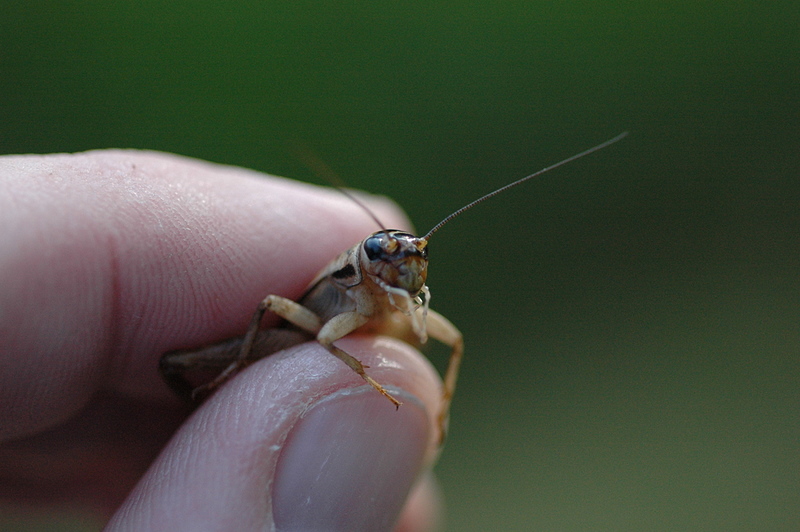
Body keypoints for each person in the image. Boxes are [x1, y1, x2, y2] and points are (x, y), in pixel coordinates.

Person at [0, 150, 442, 531]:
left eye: (410, 256)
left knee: (451, 339)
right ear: (366, 260)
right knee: (177, 362)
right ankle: (218, 384)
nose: (399, 264)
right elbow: (323, 335)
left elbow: (440, 338)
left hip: (350, 333)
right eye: (386, 256)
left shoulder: (402, 291)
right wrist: (368, 379)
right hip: (299, 331)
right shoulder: (349, 283)